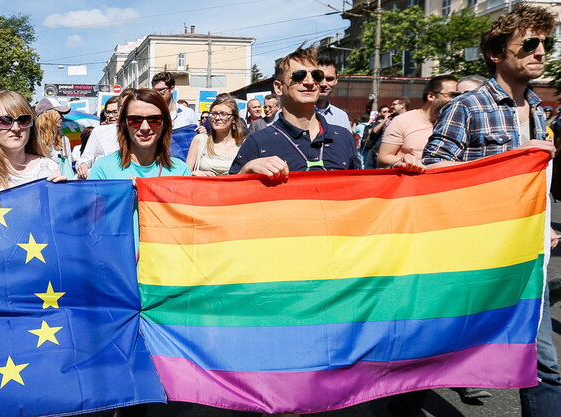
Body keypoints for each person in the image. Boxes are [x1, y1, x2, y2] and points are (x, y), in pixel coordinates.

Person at [421, 5, 560, 417]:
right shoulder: (468, 106)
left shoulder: (537, 107)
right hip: (478, 258)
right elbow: (434, 174)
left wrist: (542, 222)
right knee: (429, 351)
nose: (540, 52)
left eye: (546, 44)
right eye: (530, 44)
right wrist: (516, 160)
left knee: (543, 367)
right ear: (497, 53)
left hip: (529, 257)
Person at [229, 46, 400, 179]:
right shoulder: (258, 141)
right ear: (279, 87)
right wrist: (246, 170)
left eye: (316, 75)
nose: (310, 82)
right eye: (299, 76)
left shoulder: (342, 136)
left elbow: (360, 190)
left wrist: (400, 171)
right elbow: (228, 199)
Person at [88, 88, 190, 180]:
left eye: (154, 120)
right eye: (135, 120)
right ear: (124, 124)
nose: (145, 128)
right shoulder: (103, 169)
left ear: (165, 123)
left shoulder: (180, 171)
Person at [377, 75, 458, 168]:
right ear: (431, 96)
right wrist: (406, 161)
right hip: (414, 179)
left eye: (459, 95)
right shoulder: (403, 121)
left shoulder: (458, 122)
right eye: (452, 95)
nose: (457, 99)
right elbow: (383, 158)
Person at [76, 90, 135, 178]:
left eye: (114, 112)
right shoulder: (99, 131)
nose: (110, 116)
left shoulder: (142, 129)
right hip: (107, 180)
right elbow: (85, 159)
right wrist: (83, 165)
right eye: (107, 112)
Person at [186, 94, 244, 176]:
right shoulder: (200, 140)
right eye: (214, 114)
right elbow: (185, 174)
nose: (217, 118)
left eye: (223, 114)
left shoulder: (243, 144)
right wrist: (194, 174)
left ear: (234, 119)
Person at [35, 97, 75, 179]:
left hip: (58, 188)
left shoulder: (64, 140)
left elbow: (68, 168)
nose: (62, 117)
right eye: (59, 113)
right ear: (46, 113)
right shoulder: (30, 138)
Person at [315, 55, 352, 132]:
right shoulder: (294, 114)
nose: (323, 84)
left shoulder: (341, 116)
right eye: (319, 78)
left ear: (336, 80)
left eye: (329, 79)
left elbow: (346, 143)